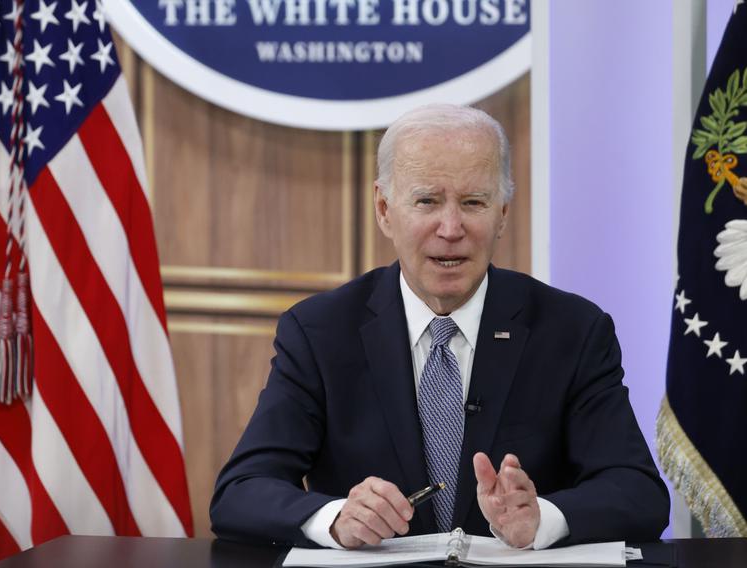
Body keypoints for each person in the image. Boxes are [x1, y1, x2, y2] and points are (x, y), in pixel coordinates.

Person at [209, 104, 669, 550]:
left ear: (503, 213)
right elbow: (240, 492)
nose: (451, 228)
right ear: (385, 209)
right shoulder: (319, 331)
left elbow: (639, 493)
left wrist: (542, 518)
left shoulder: (572, 330)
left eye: (473, 202)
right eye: (427, 200)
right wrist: (335, 519)